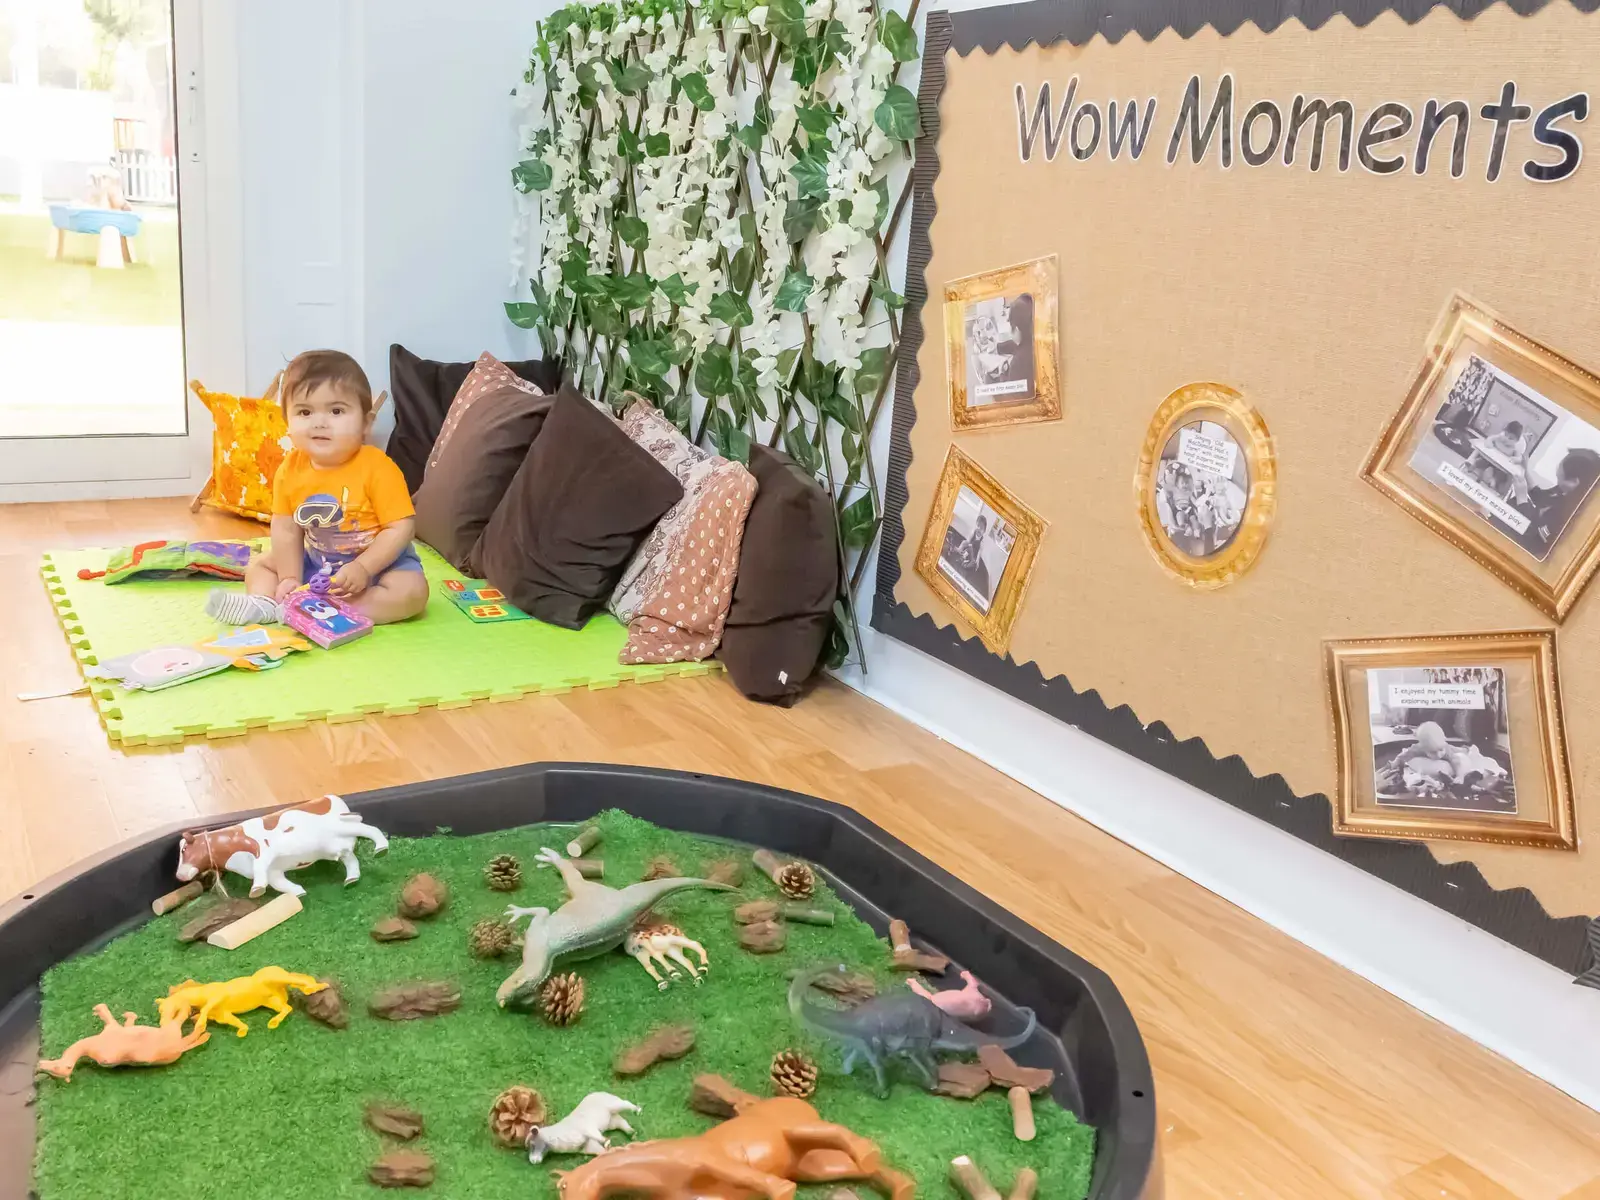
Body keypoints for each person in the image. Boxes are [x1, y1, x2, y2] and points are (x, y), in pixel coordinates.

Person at [206, 350, 428, 626]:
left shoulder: (378, 467)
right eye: (305, 412)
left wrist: (363, 567)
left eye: (336, 411)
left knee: (412, 592)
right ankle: (264, 604)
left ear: (366, 423)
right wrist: (289, 577)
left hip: (380, 566)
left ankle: (327, 608)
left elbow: (401, 528)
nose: (319, 422)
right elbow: (286, 528)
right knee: (260, 565)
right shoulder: (289, 470)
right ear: (287, 422)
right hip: (318, 563)